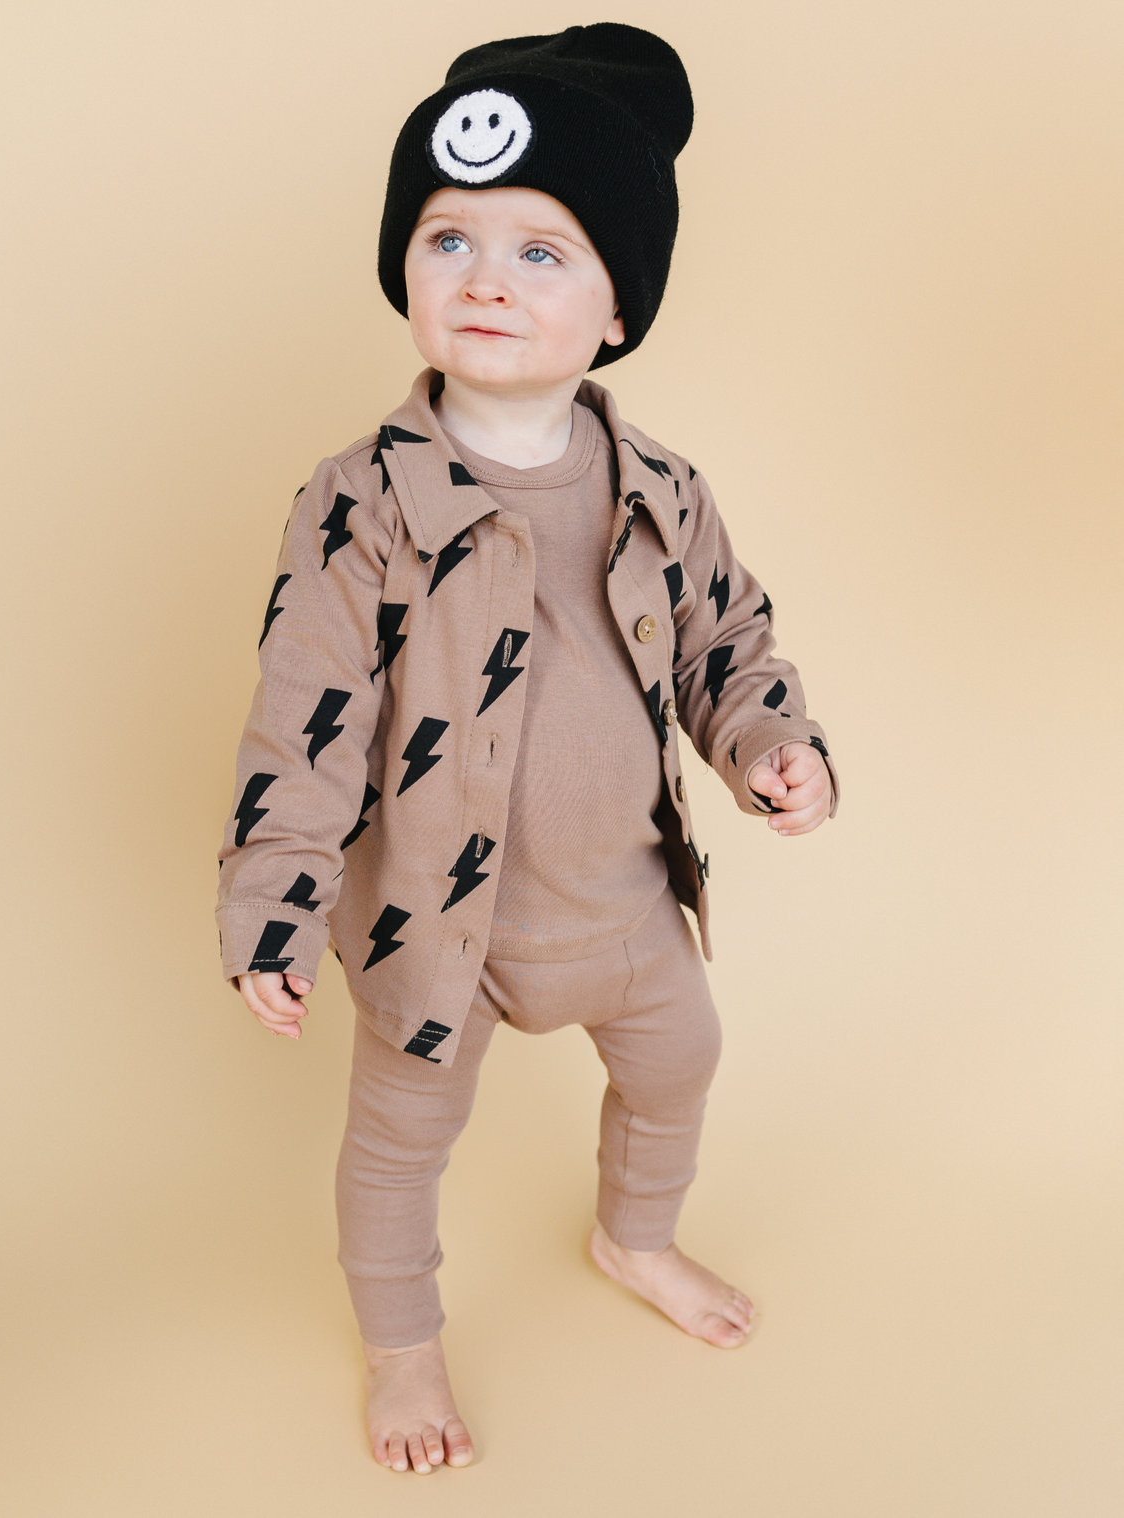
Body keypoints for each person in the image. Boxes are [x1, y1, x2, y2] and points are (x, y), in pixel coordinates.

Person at [216, 23, 838, 1474]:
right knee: (397, 1144)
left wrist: (770, 742)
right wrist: (274, 904)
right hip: (441, 928)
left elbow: (724, 644)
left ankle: (636, 1237)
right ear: (406, 271)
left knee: (682, 1062)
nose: (486, 278)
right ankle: (402, 1348)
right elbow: (302, 716)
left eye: (541, 251)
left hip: (622, 905)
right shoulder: (360, 503)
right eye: (449, 239)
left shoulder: (661, 486)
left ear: (619, 310)